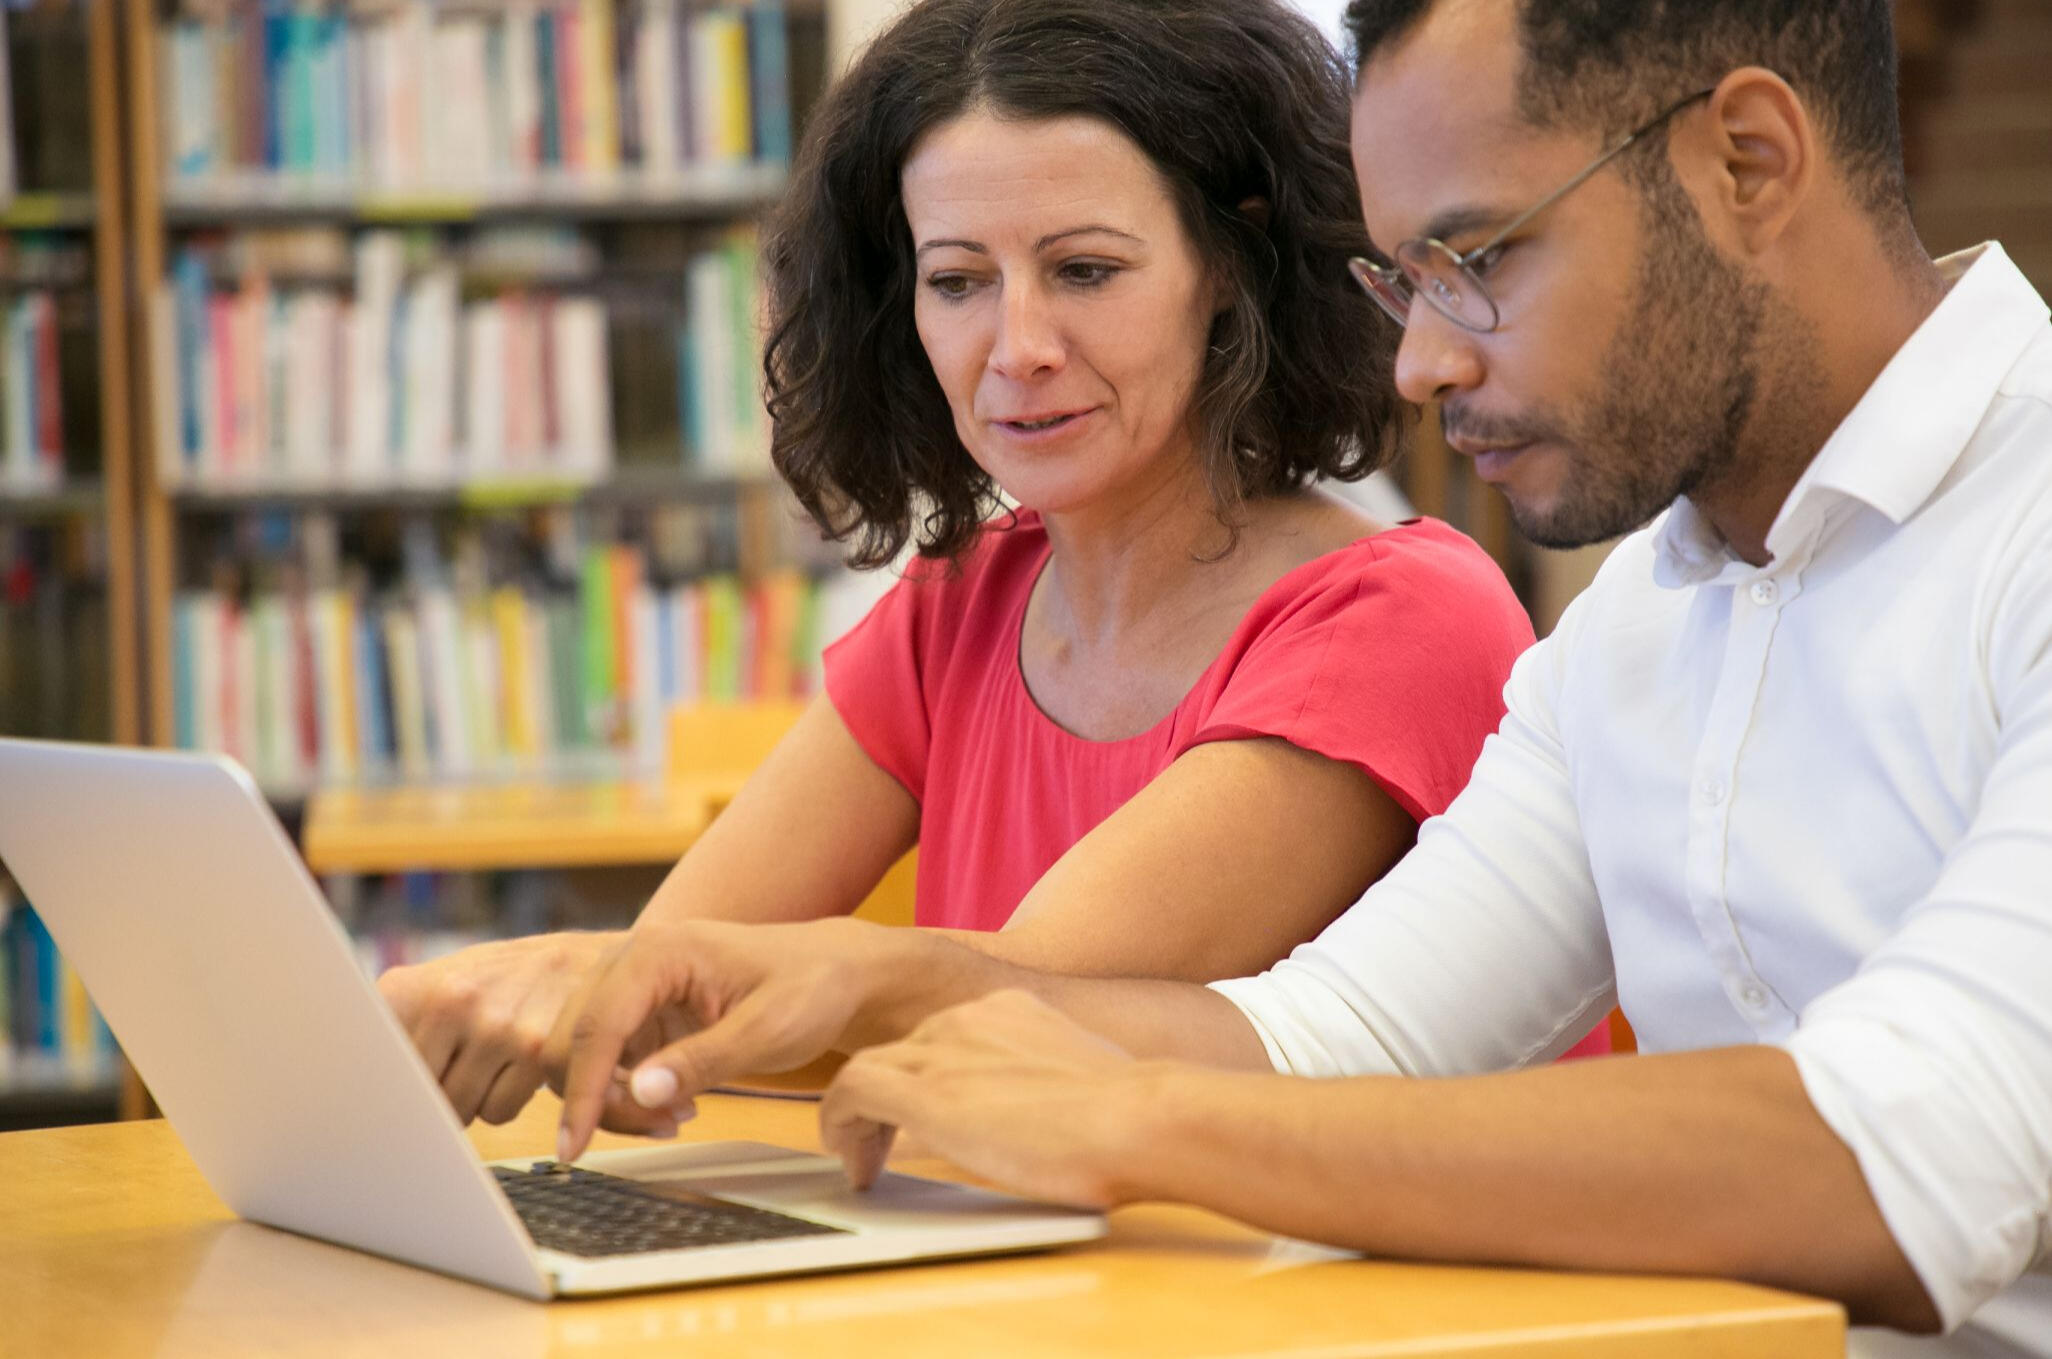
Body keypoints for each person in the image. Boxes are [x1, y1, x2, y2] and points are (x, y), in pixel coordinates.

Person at [545, 0, 2052, 1352]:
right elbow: (1342, 1032)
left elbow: (1902, 1149)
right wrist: (902, 979)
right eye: (1406, 284)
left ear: (1747, 160)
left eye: (1476, 258)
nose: (1421, 368)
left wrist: (1136, 1112)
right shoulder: (1643, 623)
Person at [380, 0, 1554, 1132]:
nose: (1019, 349)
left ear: (1233, 271)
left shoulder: (1400, 617)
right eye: (956, 283)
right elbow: (668, 969)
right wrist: (589, 995)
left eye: (1086, 271)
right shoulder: (962, 600)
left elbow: (1012, 1005)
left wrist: (607, 984)